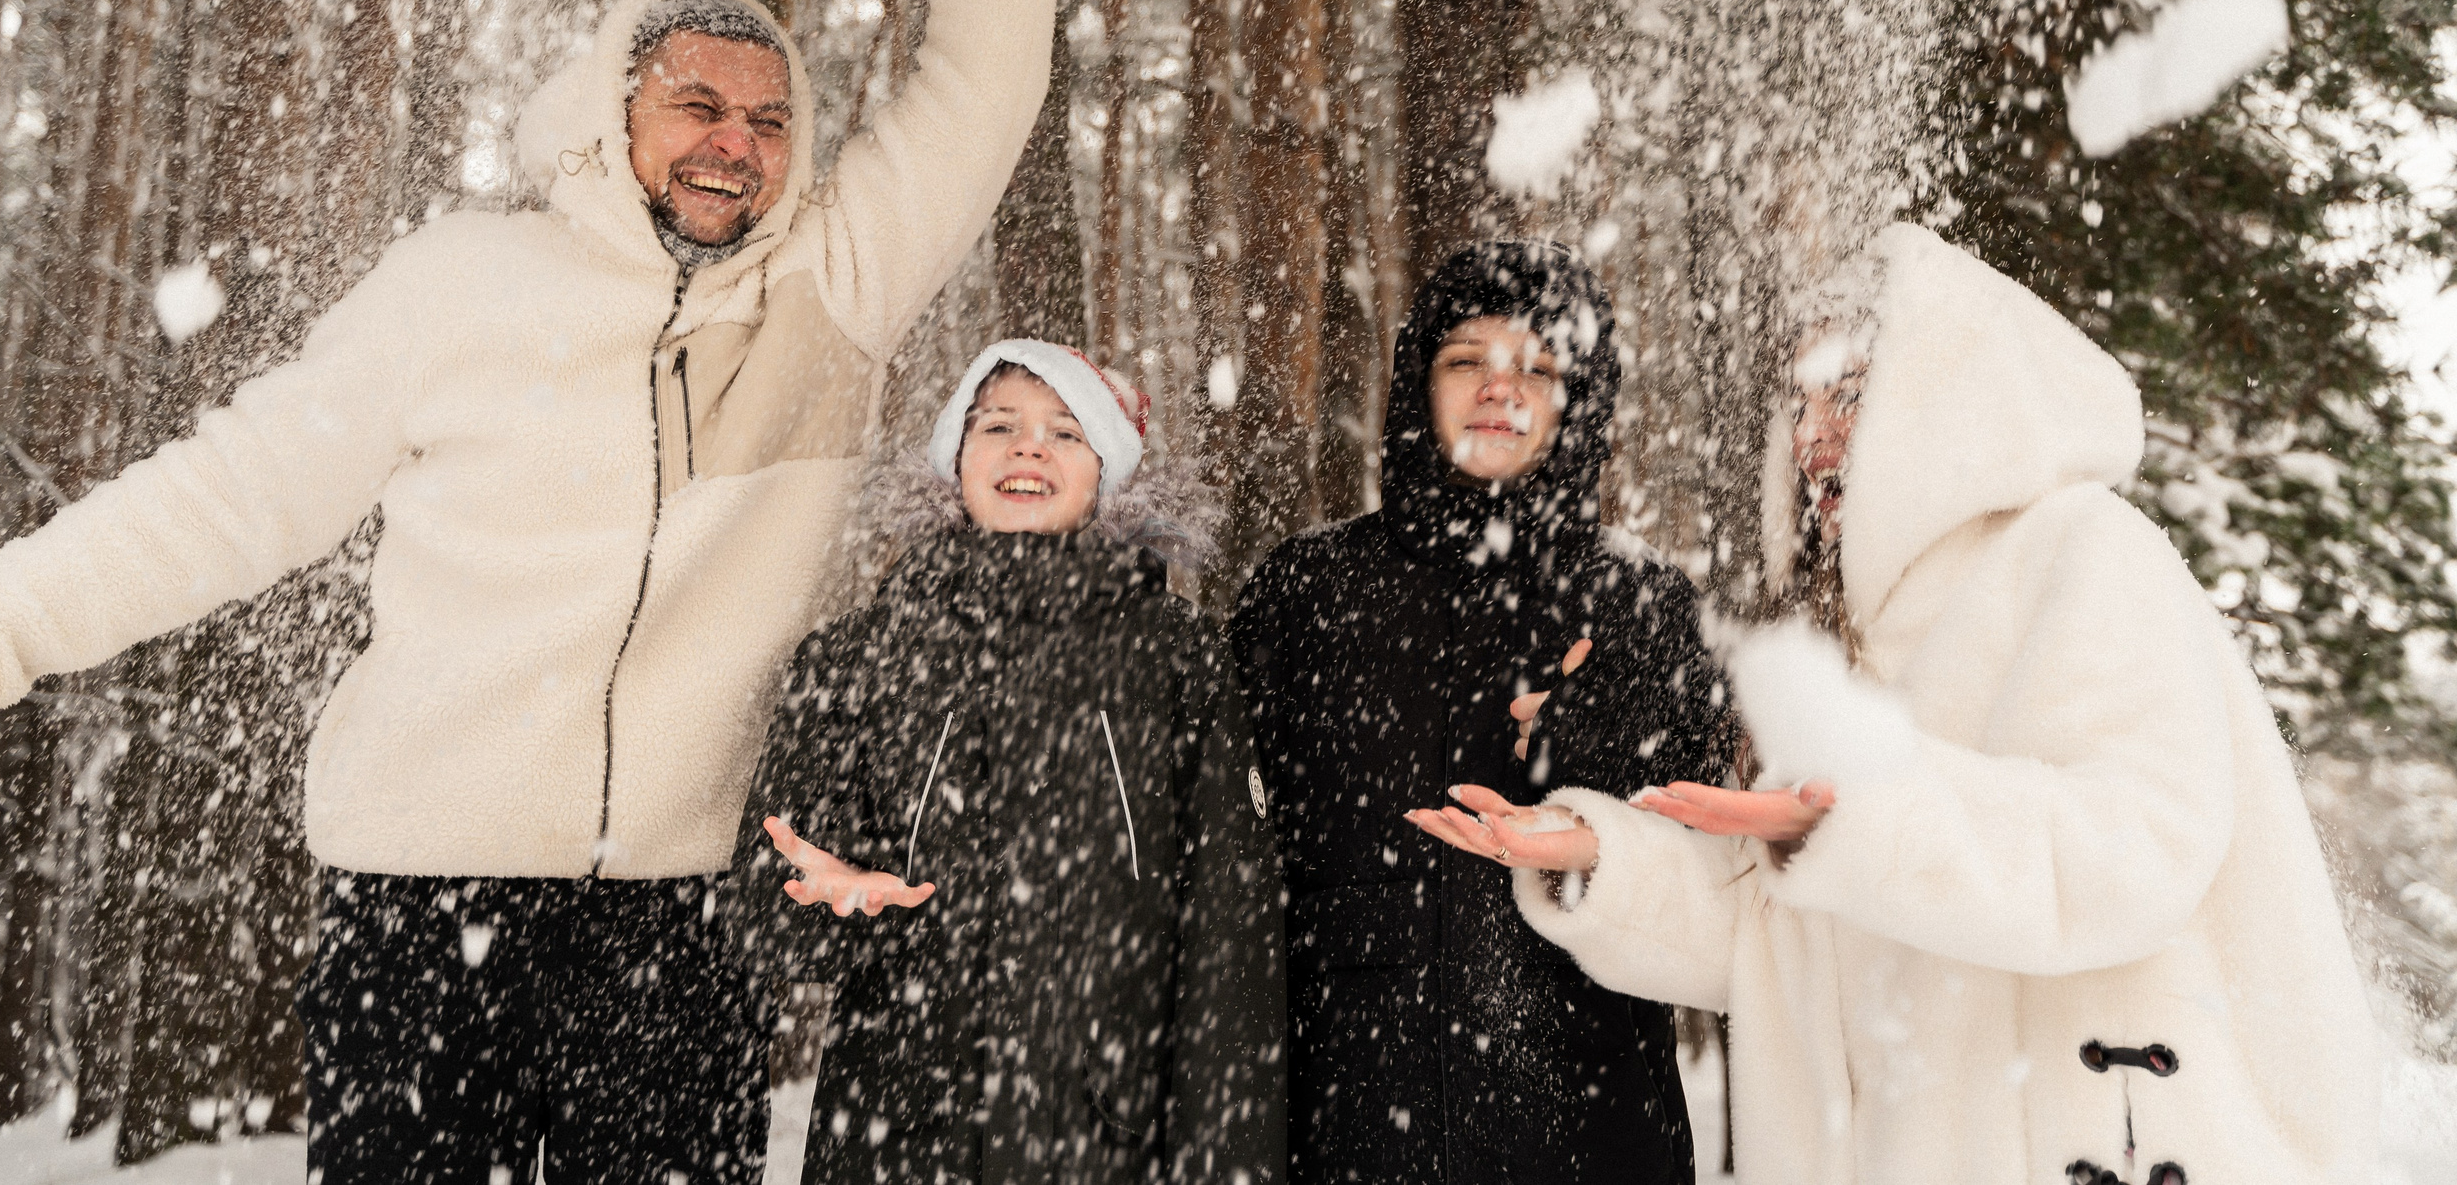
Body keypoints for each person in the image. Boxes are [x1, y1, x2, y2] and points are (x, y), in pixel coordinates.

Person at [0, 0, 1058, 1183]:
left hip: (678, 931)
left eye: (770, 120)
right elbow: (224, 497)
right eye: (695, 103)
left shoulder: (834, 284)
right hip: (417, 909)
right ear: (611, 115)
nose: (735, 140)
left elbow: (983, 89)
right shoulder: (460, 283)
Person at [1412, 222, 2379, 1185]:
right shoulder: (1834, 641)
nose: (1810, 436)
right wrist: (1599, 856)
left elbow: (2135, 848)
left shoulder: (2085, 550)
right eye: (1799, 402)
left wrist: (1854, 820)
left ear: (1943, 395)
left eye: (1848, 395)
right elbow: (1777, 942)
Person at [1229, 241, 1733, 1185]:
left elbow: (1721, 882)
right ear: (1418, 386)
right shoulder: (1304, 593)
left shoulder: (1645, 604)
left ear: (1577, 402)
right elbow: (1229, 856)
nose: (1500, 387)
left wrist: (1604, 757)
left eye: (1536, 367)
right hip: (1351, 1119)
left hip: (1586, 1124)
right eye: (1467, 359)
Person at [742, 339, 1286, 1185]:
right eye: (998, 425)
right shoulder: (855, 658)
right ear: (954, 458)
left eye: (1066, 431)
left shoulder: (1178, 664)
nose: (1029, 447)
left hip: (1104, 1145)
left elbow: (1231, 945)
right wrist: (823, 902)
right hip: (899, 1140)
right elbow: (766, 911)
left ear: (1107, 475)